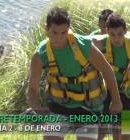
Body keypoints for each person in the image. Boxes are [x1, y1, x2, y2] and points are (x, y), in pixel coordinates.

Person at [26, 7, 122, 140]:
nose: (59, 38)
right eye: (54, 32)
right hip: (59, 105)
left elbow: (107, 71)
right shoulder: (40, 55)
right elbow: (31, 90)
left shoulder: (83, 46)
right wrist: (38, 108)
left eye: (63, 32)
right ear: (46, 28)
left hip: (88, 106)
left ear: (69, 28)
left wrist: (116, 101)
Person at [92, 13, 130, 140]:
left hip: (125, 90)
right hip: (106, 88)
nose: (116, 39)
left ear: (126, 31)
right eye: (112, 34)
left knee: (126, 131)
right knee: (100, 129)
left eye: (120, 34)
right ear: (107, 32)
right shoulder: (99, 43)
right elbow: (76, 41)